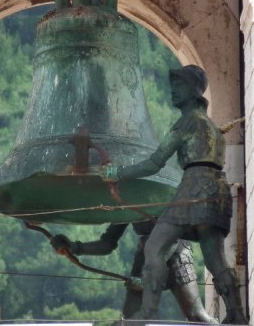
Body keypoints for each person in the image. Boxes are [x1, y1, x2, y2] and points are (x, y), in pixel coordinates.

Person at [102, 65, 247, 324]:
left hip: (193, 186)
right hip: (218, 191)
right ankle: (236, 315)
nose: (172, 90)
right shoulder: (212, 127)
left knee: (155, 245)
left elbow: (155, 162)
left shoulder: (187, 122)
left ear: (193, 90)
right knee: (216, 260)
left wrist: (118, 173)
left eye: (178, 85)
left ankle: (146, 313)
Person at [51, 220, 217, 322]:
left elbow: (172, 236)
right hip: (145, 255)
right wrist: (74, 247)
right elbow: (107, 243)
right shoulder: (126, 199)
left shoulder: (157, 191)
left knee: (196, 315)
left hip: (174, 251)